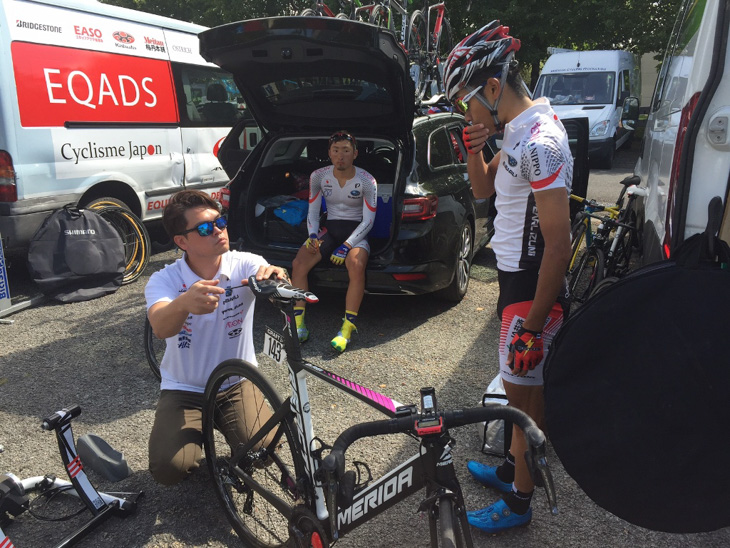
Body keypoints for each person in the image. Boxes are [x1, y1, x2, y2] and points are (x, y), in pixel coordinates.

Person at [444, 22, 572, 532]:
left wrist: (535, 326)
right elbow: (483, 191)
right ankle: (514, 469)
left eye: (465, 102)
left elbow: (559, 245)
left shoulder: (542, 141)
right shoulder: (517, 130)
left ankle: (520, 501)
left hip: (531, 287)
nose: (464, 112)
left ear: (492, 88)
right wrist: (474, 145)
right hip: (513, 281)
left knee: (521, 401)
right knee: (523, 392)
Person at [145, 189, 288, 485]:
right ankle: (198, 430)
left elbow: (274, 281)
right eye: (205, 228)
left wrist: (279, 278)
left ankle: (228, 425)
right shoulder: (165, 279)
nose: (219, 231)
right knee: (168, 468)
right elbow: (160, 326)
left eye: (220, 222)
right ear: (182, 241)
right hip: (185, 389)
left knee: (263, 450)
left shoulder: (244, 263)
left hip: (236, 383)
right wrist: (184, 303)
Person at [291, 131, 377, 353]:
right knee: (299, 264)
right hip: (329, 230)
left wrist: (347, 246)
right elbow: (312, 210)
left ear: (355, 154)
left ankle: (346, 330)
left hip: (356, 232)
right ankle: (299, 324)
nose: (341, 156)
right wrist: (311, 235)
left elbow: (368, 221)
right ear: (329, 153)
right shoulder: (319, 176)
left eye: (346, 151)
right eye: (336, 150)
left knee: (356, 266)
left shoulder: (367, 181)